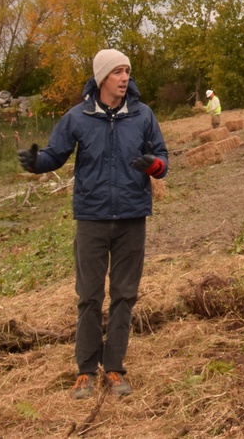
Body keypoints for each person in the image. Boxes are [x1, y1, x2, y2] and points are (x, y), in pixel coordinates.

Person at [16, 49, 168, 400]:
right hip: (92, 219)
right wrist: (36, 163)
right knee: (88, 297)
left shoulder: (143, 115)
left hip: (131, 217)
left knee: (124, 296)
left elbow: (163, 158)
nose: (124, 77)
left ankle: (114, 369)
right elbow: (55, 155)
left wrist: (153, 166)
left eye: (127, 71)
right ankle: (85, 371)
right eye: (117, 72)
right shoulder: (77, 117)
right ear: (102, 78)